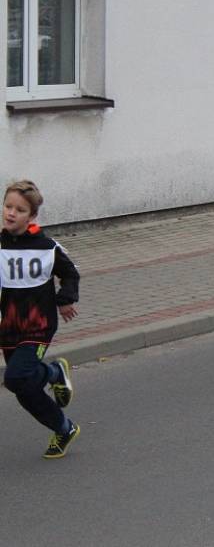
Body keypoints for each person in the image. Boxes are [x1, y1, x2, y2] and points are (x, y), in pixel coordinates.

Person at [1, 180, 81, 459]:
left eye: (19, 209)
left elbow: (70, 274)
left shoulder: (47, 246)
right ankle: (63, 428)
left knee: (15, 377)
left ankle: (54, 372)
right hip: (8, 328)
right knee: (25, 390)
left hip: (38, 326)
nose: (11, 213)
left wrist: (66, 299)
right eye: (8, 206)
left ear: (31, 216)